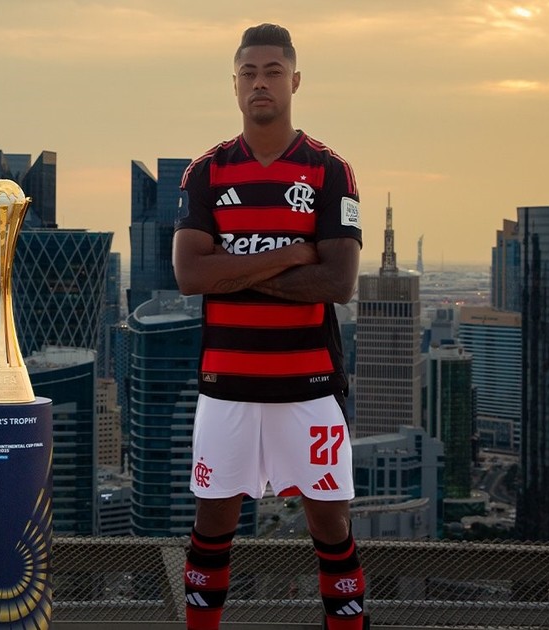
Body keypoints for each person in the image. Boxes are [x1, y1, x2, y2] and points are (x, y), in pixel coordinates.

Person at [173, 23, 366, 630]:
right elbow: (190, 275)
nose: (261, 83)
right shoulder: (205, 172)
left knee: (331, 528)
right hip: (226, 387)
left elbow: (337, 282)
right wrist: (291, 254)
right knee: (211, 527)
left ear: (295, 81)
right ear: (234, 85)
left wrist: (232, 269)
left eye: (273, 72)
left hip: (309, 386)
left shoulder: (331, 171)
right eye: (249, 73)